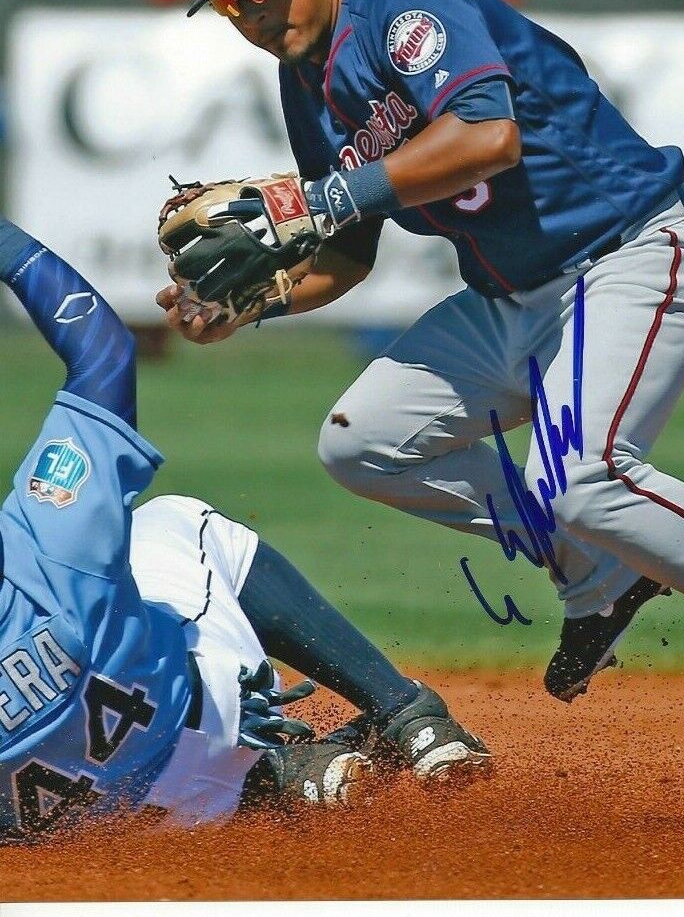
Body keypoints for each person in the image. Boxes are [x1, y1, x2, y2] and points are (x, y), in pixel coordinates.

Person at [159, 0, 684, 759]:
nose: (251, 11)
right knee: (361, 441)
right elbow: (349, 251)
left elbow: (486, 136)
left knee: (585, 474)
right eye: (230, 0)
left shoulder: (404, 7)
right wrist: (257, 303)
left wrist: (316, 198)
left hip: (629, 255)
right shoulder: (303, 81)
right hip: (511, 301)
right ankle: (600, 569)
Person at [0, 213, 490, 839]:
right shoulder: (46, 555)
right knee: (177, 521)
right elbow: (103, 351)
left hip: (131, 820)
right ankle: (400, 716)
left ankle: (283, 780)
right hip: (202, 718)